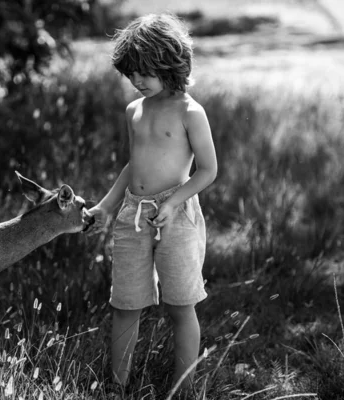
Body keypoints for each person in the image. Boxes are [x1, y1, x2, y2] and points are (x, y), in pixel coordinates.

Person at [87, 12, 217, 395]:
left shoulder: (190, 112)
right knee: (125, 303)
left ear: (169, 62)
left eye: (143, 72)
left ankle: (183, 386)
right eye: (131, 74)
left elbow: (208, 170)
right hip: (134, 214)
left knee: (180, 304)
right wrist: (107, 207)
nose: (136, 81)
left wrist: (175, 201)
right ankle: (118, 385)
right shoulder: (135, 110)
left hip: (175, 217)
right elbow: (134, 165)